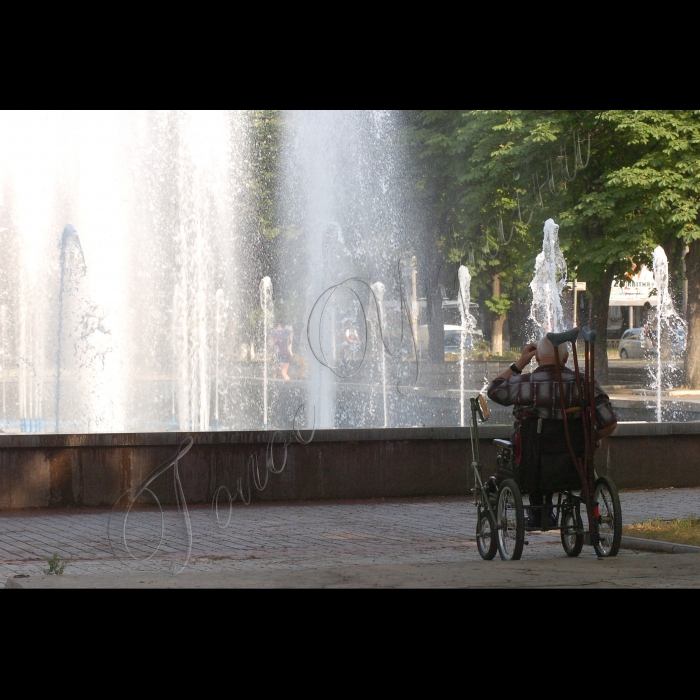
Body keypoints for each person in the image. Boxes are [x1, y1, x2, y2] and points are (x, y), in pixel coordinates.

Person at [487, 337, 618, 528]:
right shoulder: (583, 384)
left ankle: (538, 512)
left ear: (537, 358)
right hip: (574, 465)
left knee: (527, 450)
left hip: (532, 465)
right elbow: (609, 422)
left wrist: (521, 362)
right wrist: (591, 437)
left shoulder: (524, 384)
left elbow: (494, 390)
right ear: (565, 359)